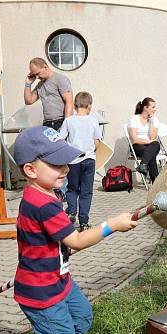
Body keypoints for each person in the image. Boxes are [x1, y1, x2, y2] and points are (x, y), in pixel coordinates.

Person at [12, 126, 137, 334]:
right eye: (55, 164)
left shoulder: (46, 192)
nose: (65, 169)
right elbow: (76, 241)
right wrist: (111, 226)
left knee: (81, 317)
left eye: (65, 161)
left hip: (58, 280)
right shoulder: (41, 203)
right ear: (30, 169)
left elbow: (62, 244)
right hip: (41, 291)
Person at [58, 92, 103, 231]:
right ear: (89, 106)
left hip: (73, 160)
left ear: (75, 105)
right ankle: (83, 222)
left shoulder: (69, 121)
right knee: (86, 191)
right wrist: (92, 150)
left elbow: (61, 139)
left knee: (72, 188)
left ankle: (71, 211)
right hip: (89, 159)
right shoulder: (93, 121)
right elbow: (97, 142)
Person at [23, 58, 74, 131]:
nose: (37, 77)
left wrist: (66, 126)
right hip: (47, 124)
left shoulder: (60, 79)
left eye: (37, 73)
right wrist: (28, 84)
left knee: (61, 143)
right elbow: (28, 101)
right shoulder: (40, 85)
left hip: (60, 122)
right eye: (34, 75)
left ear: (45, 67)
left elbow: (69, 101)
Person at [128, 97, 161, 182]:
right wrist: (149, 142)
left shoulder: (154, 120)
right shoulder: (134, 119)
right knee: (151, 154)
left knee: (155, 144)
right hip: (137, 146)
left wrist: (151, 122)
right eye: (153, 107)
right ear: (145, 107)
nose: (155, 109)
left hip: (151, 146)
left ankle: (143, 165)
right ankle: (156, 183)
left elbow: (152, 137)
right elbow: (135, 140)